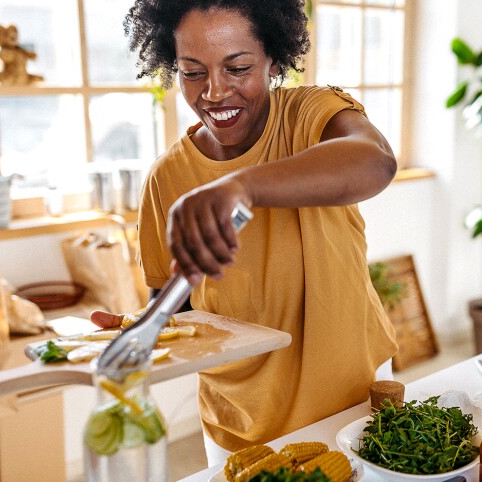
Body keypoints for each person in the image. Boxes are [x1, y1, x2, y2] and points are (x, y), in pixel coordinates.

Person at [105, 0, 399, 465]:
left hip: (353, 401)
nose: (215, 92)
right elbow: (174, 308)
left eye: (238, 67)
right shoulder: (167, 178)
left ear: (273, 62)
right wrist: (138, 331)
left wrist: (242, 186)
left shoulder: (310, 116)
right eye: (192, 72)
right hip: (237, 422)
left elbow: (376, 162)